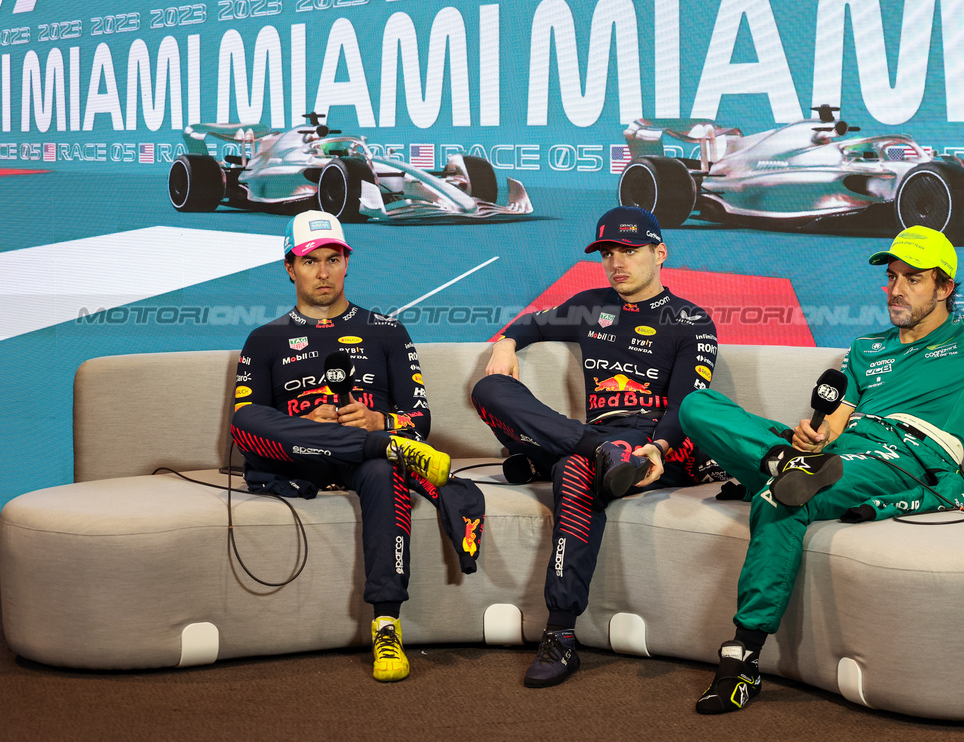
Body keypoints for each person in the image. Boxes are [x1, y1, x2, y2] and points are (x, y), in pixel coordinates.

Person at [678, 225, 964, 714]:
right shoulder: (865, 348)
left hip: (904, 457)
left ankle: (741, 661)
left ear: (944, 289)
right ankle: (781, 460)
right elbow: (833, 426)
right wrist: (813, 438)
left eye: (912, 279)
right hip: (839, 454)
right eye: (892, 277)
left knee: (783, 495)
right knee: (698, 404)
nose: (895, 290)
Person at [471, 205, 726, 688]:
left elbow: (688, 406)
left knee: (571, 470)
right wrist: (506, 342)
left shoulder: (691, 320)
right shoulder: (591, 305)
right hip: (599, 440)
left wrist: (659, 448)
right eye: (608, 253)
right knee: (488, 389)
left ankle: (561, 634)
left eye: (629, 251)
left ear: (660, 254)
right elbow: (534, 323)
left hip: (648, 442)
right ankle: (588, 451)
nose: (617, 263)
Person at [230, 210, 453, 683]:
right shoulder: (264, 338)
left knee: (381, 466)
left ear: (347, 263)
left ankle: (387, 626)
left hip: (365, 462)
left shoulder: (387, 331)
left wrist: (382, 421)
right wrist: (304, 423)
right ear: (290, 268)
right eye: (311, 262)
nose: (324, 272)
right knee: (246, 421)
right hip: (299, 456)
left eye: (333, 259)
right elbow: (249, 422)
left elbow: (422, 419)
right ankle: (382, 446)